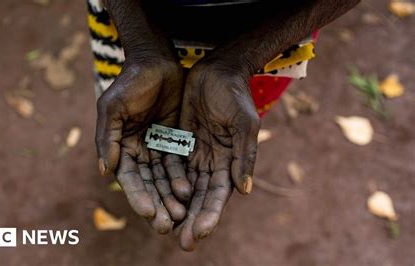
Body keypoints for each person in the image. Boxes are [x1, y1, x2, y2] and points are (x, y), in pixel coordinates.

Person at [88, 0, 360, 251]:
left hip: (270, 42)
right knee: (131, 102)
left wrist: (241, 60)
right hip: (130, 29)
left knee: (237, 115)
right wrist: (142, 45)